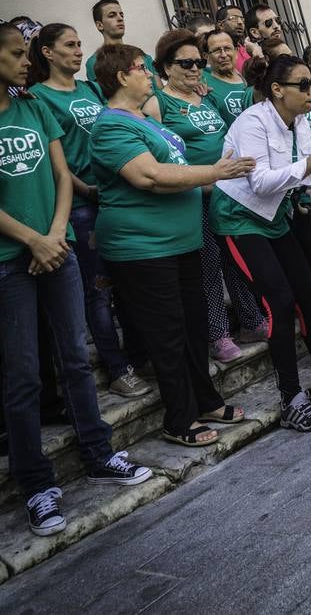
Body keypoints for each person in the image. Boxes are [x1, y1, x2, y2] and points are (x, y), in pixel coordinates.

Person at [0, 24, 152, 538]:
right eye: (17, 54)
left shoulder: (34, 108)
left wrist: (57, 232)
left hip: (57, 247)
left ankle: (99, 452)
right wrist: (33, 241)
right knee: (22, 377)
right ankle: (37, 486)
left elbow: (63, 175)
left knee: (74, 360)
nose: (27, 63)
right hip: (10, 260)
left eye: (27, 54)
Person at [88, 44, 254, 447]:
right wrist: (212, 171)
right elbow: (148, 176)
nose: (149, 75)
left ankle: (206, 400)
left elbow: (179, 169)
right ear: (121, 77)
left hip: (181, 242)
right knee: (168, 333)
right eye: (141, 69)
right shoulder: (111, 125)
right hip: (144, 247)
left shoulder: (147, 121)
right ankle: (178, 419)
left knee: (194, 325)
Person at [209, 55, 311, 432]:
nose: (310, 92)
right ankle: (291, 398)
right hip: (239, 217)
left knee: (307, 295)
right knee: (279, 303)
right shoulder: (253, 121)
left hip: (273, 217)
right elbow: (262, 181)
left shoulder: (297, 119)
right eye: (303, 85)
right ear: (277, 90)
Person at [28, 23, 151, 398]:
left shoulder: (92, 89)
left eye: (81, 44)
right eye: (70, 45)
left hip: (114, 200)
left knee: (129, 282)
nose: (79, 51)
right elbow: (57, 161)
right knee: (98, 291)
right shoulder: (38, 97)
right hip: (80, 206)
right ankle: (117, 368)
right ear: (47, 53)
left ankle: (141, 356)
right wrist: (87, 190)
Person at [143, 29, 268, 362]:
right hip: (192, 197)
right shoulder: (157, 103)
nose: (195, 68)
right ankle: (217, 335)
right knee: (209, 267)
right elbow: (153, 156)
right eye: (186, 63)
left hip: (225, 193)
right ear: (166, 67)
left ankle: (251, 320)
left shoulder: (206, 95)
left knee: (235, 260)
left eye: (199, 62)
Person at [85, 0, 157, 91]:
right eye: (112, 15)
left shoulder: (143, 57)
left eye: (121, 15)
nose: (120, 18)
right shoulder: (95, 62)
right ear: (99, 25)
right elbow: (104, 98)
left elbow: (159, 90)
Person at [201, 29, 247, 126]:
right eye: (217, 50)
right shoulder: (202, 83)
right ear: (206, 56)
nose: (224, 55)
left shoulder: (248, 80)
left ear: (236, 51)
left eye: (227, 48)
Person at [216, 4, 259, 73]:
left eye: (242, 19)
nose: (240, 22)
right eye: (233, 18)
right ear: (220, 25)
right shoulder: (218, 53)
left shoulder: (248, 50)